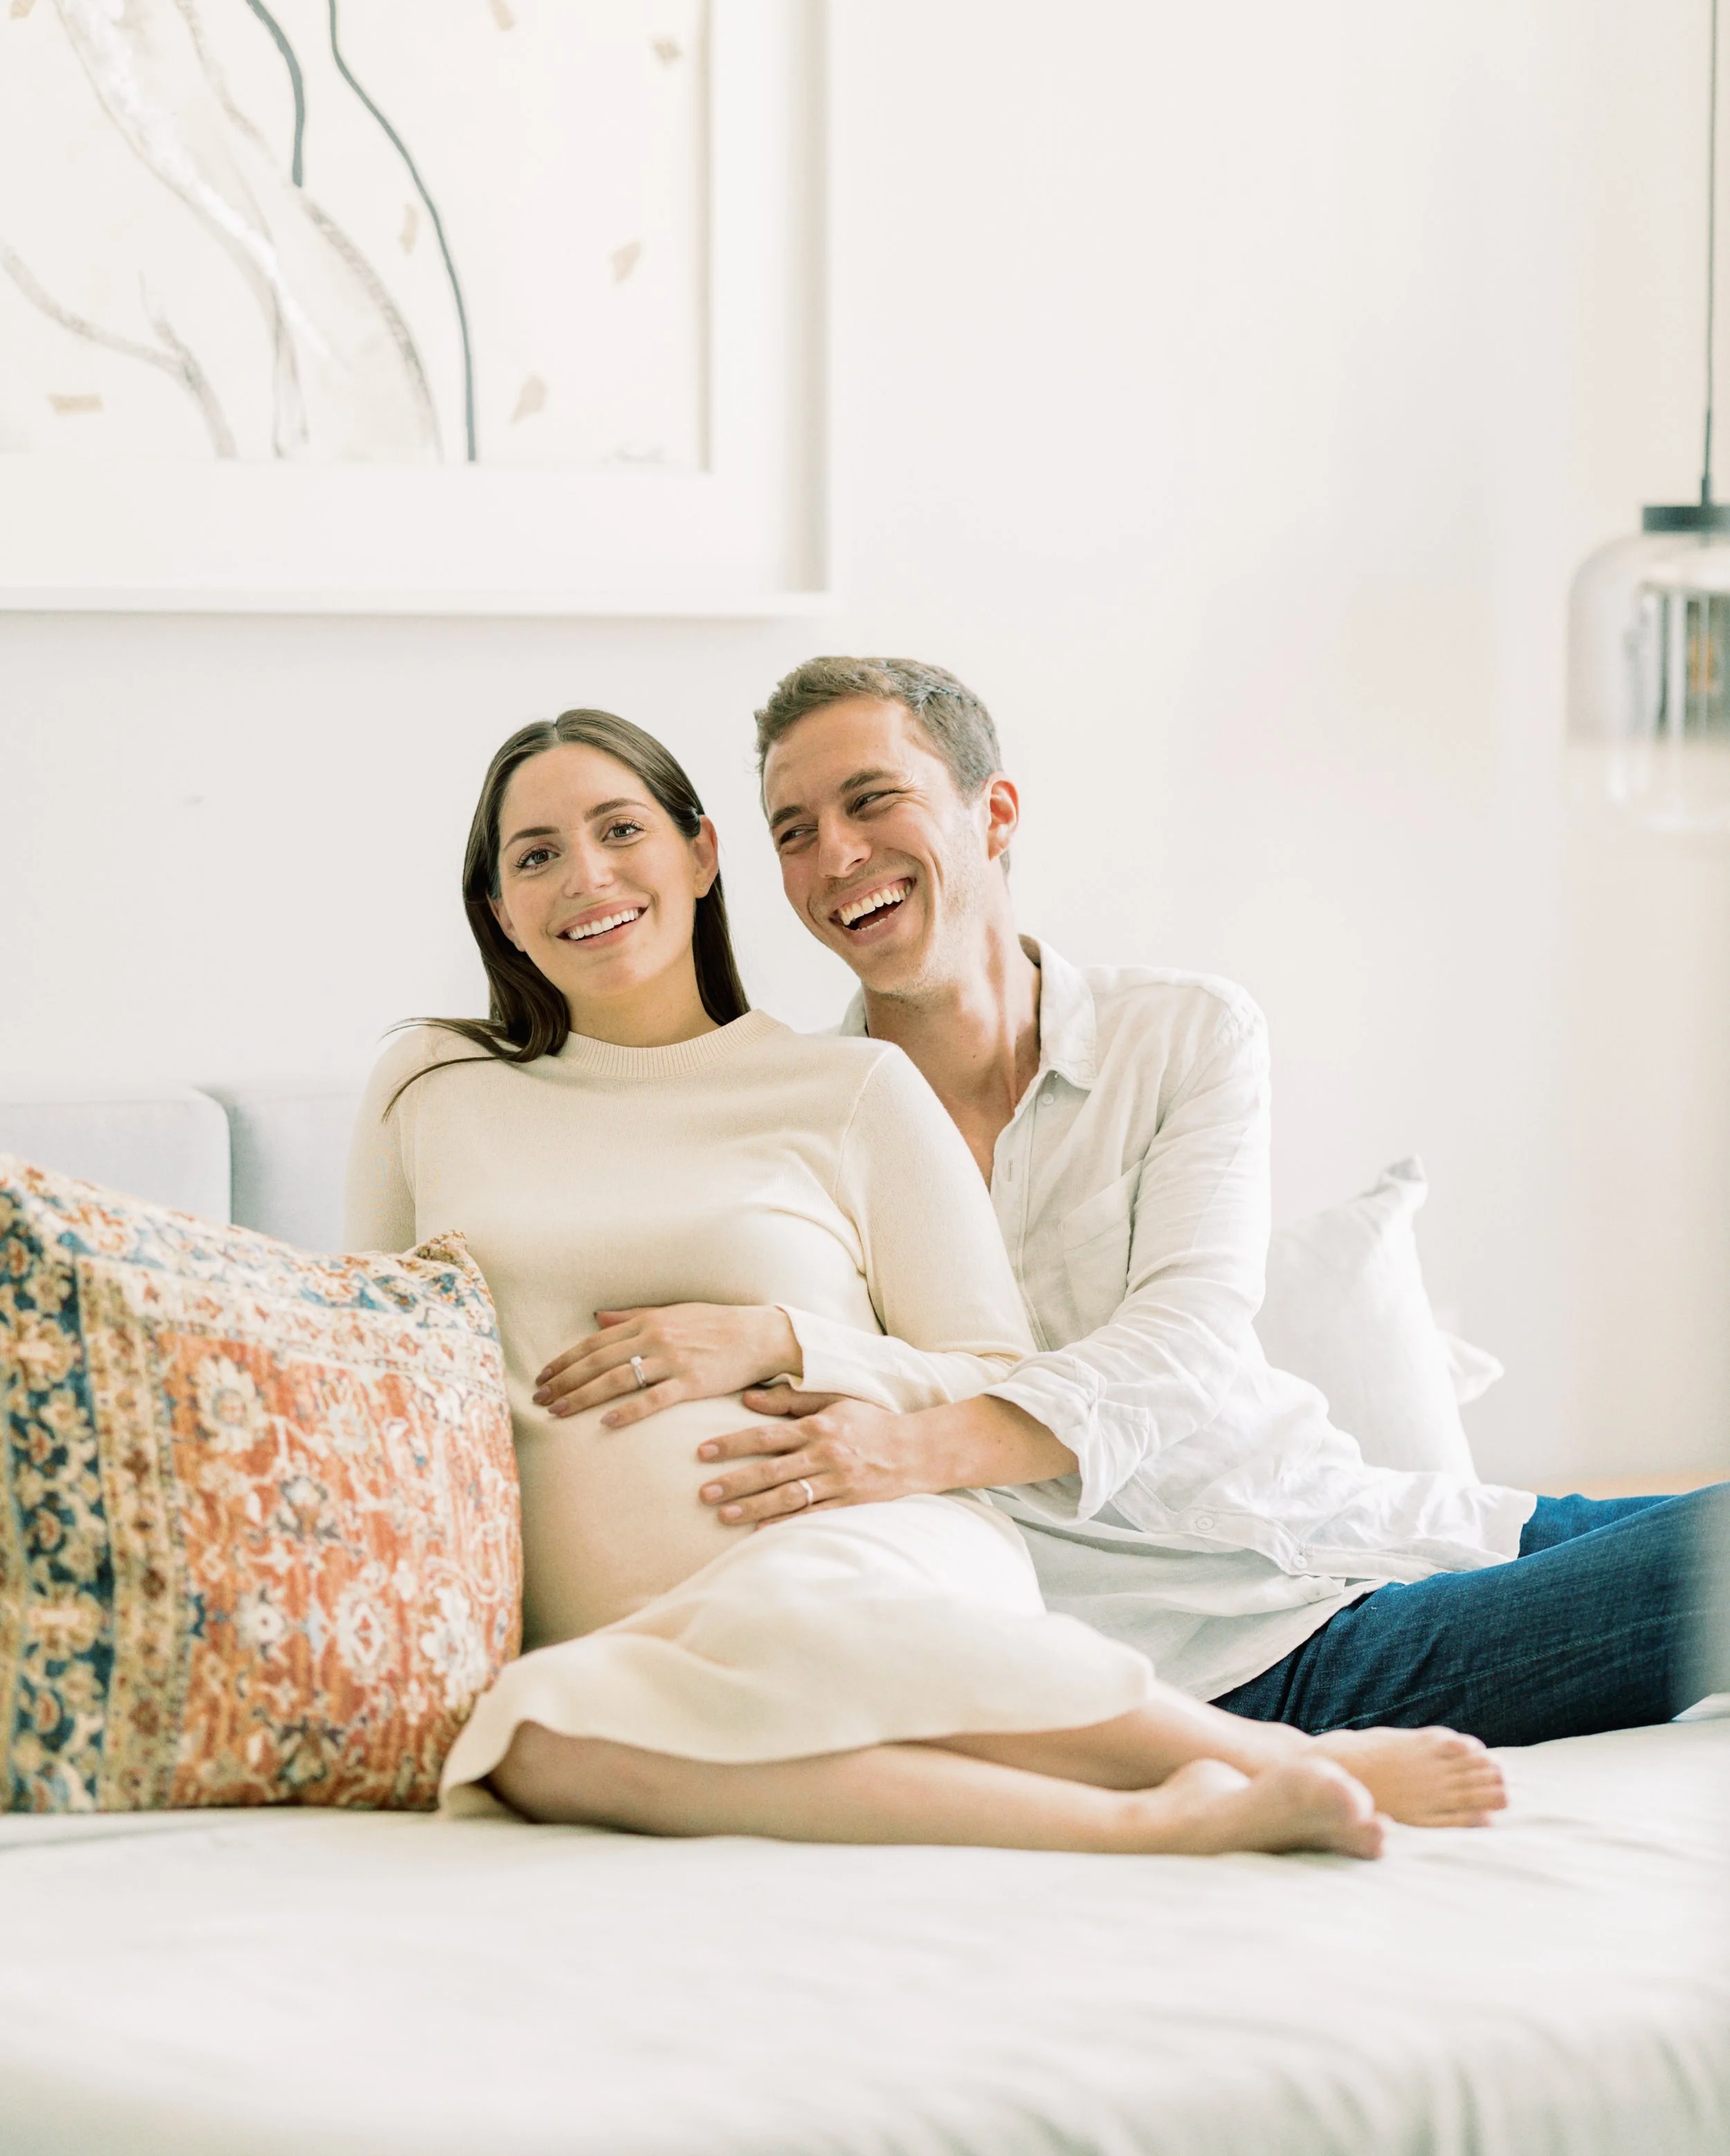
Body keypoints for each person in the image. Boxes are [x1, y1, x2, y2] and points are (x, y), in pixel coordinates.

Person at [346, 706, 1505, 1854]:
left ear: (701, 853)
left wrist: (783, 1336)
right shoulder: (429, 1087)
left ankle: (1267, 1756)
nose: (585, 876)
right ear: (498, 910)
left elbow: (994, 1366)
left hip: (861, 1546)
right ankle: (1155, 1818)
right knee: (529, 1743)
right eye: (535, 856)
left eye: (619, 830)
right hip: (622, 1628)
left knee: (783, 1615)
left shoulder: (851, 1086)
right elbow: (368, 1367)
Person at [536, 662, 1729, 1748]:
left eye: (872, 800)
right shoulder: (800, 1131)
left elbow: (1185, 1342)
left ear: (995, 815)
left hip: (1379, 1518)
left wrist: (907, 1445)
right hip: (1243, 1654)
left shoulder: (1184, 1031)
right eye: (794, 831)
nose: (835, 854)